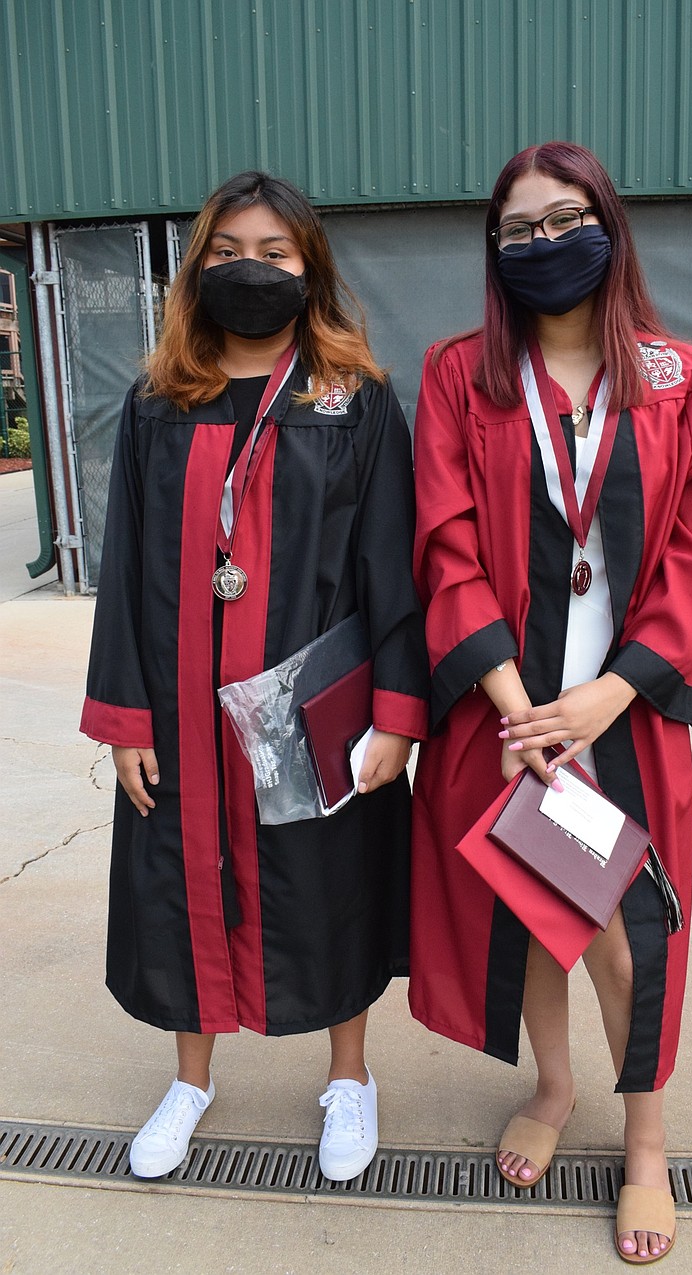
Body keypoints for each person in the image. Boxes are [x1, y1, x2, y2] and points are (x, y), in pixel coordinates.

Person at [409, 142, 692, 1263]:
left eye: (566, 220)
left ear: (609, 225)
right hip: (513, 718)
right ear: (493, 253)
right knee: (528, 916)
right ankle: (554, 1087)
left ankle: (644, 1142)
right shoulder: (460, 376)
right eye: (519, 230)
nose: (545, 245)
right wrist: (521, 713)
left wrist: (607, 697)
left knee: (630, 938)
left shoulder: (681, 377)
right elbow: (446, 545)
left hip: (626, 718)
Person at [80, 171, 429, 1184]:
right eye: (230, 248)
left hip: (310, 721)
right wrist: (125, 720)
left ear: (310, 269)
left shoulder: (352, 401)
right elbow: (123, 567)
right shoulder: (158, 403)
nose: (252, 268)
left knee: (331, 889)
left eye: (276, 252)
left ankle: (350, 1079)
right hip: (183, 711)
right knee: (180, 892)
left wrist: (395, 719)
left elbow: (391, 567)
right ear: (199, 266)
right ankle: (191, 1080)